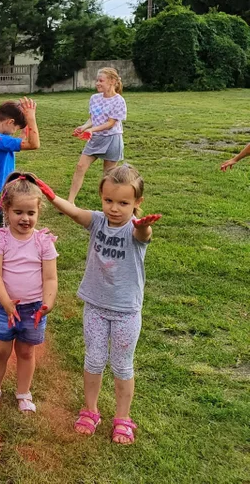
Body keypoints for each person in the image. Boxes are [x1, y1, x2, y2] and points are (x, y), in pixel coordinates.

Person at [40, 165, 161, 445]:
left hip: (125, 312)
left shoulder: (135, 230)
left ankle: (123, 418)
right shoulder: (96, 221)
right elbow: (73, 212)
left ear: (137, 203)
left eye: (123, 203)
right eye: (108, 201)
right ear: (101, 197)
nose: (114, 208)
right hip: (95, 306)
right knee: (93, 360)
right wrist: (51, 195)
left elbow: (143, 236)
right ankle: (91, 410)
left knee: (122, 365)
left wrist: (144, 226)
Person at [0, 173, 58, 414]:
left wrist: (48, 304)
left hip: (33, 309)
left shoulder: (44, 242)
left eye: (31, 213)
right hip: (5, 307)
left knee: (26, 351)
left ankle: (23, 393)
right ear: (6, 209)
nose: (25, 218)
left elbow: (50, 278)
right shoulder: (0, 239)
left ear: (38, 213)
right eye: (19, 212)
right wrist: (6, 302)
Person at [0, 98, 40, 288]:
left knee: (1, 234)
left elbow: (27, 140)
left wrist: (25, 124)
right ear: (9, 123)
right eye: (16, 128)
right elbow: (34, 144)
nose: (15, 132)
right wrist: (31, 118)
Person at [67, 68, 127, 202]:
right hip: (95, 140)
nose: (97, 83)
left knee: (108, 176)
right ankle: (70, 202)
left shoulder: (119, 101)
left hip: (112, 139)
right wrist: (83, 127)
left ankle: (108, 203)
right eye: (97, 80)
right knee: (80, 167)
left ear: (112, 81)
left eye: (101, 81)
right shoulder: (94, 98)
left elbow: (111, 123)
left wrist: (92, 130)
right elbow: (93, 119)